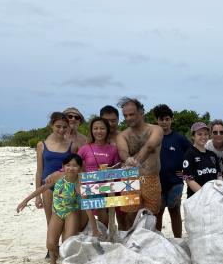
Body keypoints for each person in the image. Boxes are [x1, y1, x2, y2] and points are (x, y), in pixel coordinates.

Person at [17, 154, 99, 264]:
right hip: (57, 212)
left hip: (72, 212)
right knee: (50, 243)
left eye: (75, 166)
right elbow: (42, 188)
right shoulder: (57, 176)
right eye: (68, 165)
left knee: (67, 243)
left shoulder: (80, 184)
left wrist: (94, 228)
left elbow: (87, 207)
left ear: (80, 168)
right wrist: (26, 200)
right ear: (63, 166)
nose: (71, 168)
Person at [116, 97, 164, 230]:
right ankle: (131, 242)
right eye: (125, 115)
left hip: (151, 178)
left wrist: (135, 162)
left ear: (141, 112)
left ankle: (150, 242)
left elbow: (149, 146)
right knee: (130, 215)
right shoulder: (122, 135)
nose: (128, 118)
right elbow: (122, 151)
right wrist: (127, 159)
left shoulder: (156, 130)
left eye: (132, 114)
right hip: (130, 179)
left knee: (152, 214)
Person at [153, 104, 191, 238]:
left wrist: (186, 171)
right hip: (156, 181)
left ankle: (178, 241)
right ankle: (158, 241)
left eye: (167, 119)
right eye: (161, 119)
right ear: (157, 120)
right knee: (158, 213)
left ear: (171, 119)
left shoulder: (179, 138)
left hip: (175, 182)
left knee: (175, 211)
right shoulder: (152, 138)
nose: (164, 122)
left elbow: (191, 154)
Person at [77, 117, 121, 227]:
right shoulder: (84, 149)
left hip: (106, 190)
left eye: (102, 128)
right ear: (91, 131)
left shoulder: (113, 149)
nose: (99, 131)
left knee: (104, 225)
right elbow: (73, 165)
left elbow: (117, 168)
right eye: (95, 128)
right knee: (84, 226)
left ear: (107, 130)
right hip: (87, 191)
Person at [35, 112, 73, 229]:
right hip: (47, 187)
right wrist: (37, 196)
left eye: (64, 127)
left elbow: (75, 169)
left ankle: (64, 247)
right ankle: (52, 247)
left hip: (66, 187)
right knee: (50, 223)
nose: (61, 129)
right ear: (52, 125)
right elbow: (39, 171)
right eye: (58, 126)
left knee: (66, 224)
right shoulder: (41, 145)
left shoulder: (72, 146)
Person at [182, 122, 222, 197]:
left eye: (206, 134)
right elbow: (188, 179)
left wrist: (220, 192)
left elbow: (219, 176)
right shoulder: (189, 154)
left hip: (214, 197)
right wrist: (205, 195)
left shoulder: (212, 155)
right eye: (199, 134)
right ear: (193, 136)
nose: (203, 137)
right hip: (197, 198)